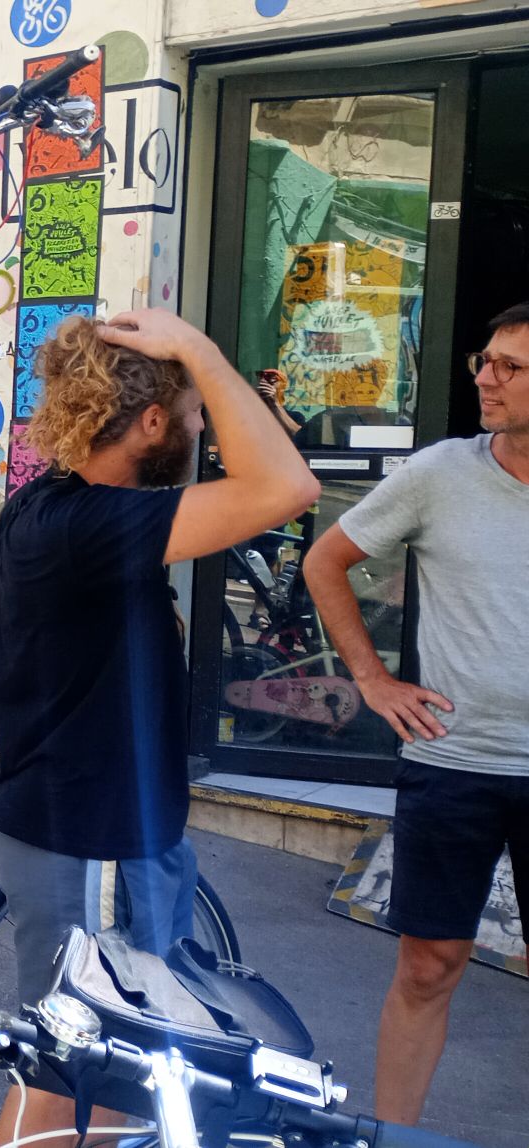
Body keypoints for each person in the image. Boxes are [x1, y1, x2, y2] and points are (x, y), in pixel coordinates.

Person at [0, 310, 319, 1146]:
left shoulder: (50, 504)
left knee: (89, 1069)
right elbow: (287, 487)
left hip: (86, 830)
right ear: (153, 420)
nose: (202, 427)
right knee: (80, 1080)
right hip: (94, 844)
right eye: (195, 411)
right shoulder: (91, 526)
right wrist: (200, 349)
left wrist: (52, 694)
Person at [301, 301, 529, 1127]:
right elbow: (326, 561)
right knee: (429, 965)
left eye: (510, 367)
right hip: (453, 759)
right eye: (483, 361)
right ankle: (393, 1139)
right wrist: (372, 679)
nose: (485, 378)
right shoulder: (441, 474)